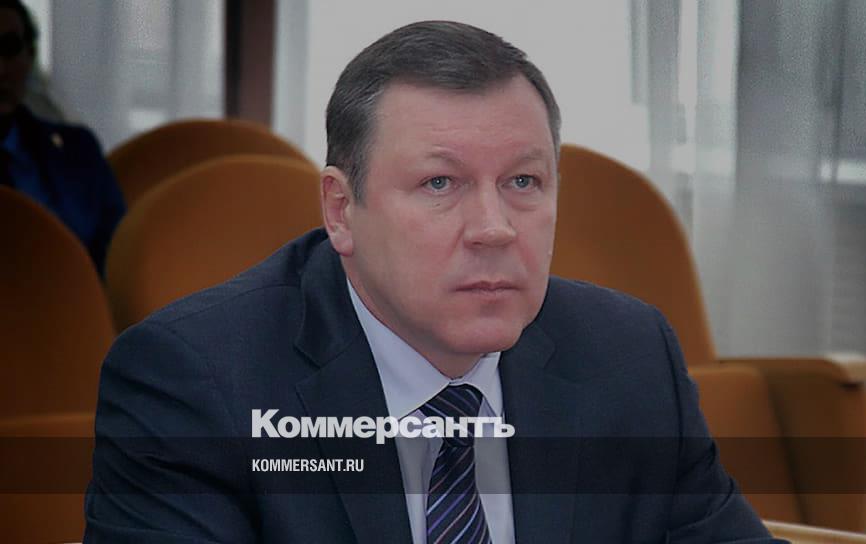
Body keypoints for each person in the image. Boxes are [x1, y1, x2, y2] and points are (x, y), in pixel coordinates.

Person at [84, 21, 783, 543]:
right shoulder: (196, 380)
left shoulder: (629, 356)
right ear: (341, 210)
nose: (494, 228)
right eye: (440, 183)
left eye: (523, 182)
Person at [0, 0, 124, 274]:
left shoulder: (77, 150)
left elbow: (118, 253)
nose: (1, 70)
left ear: (30, 56)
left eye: (9, 49)